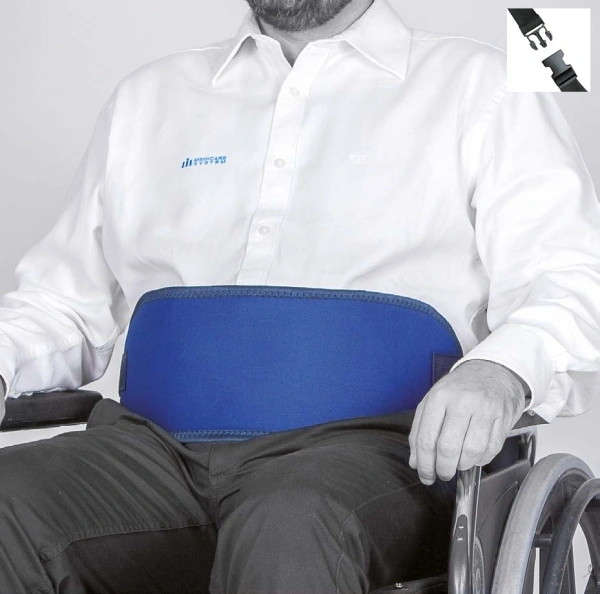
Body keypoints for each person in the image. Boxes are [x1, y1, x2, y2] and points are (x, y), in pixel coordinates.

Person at [0, 0, 598, 592]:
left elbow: (569, 277)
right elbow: (60, 304)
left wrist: (501, 370)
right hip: (152, 452)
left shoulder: (480, 86)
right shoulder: (148, 99)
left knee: (287, 524)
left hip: (377, 453)